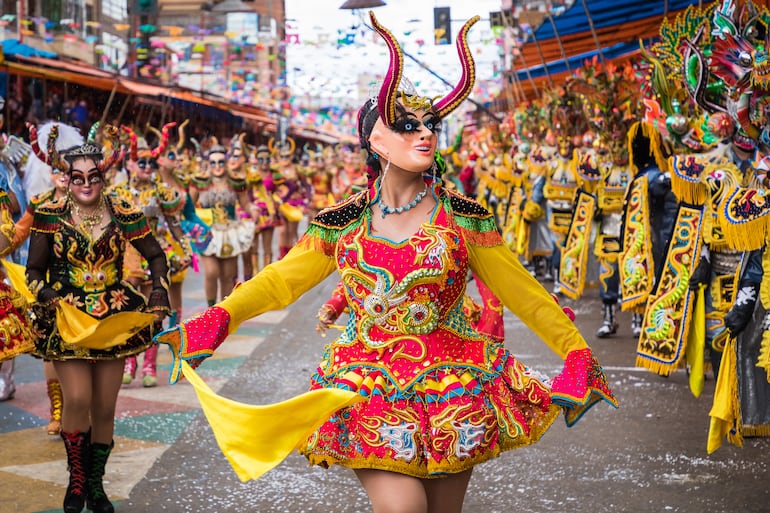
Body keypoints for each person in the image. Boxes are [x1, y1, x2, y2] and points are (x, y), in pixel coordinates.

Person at [155, 12, 616, 513]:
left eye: (430, 125)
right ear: (375, 140)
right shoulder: (343, 222)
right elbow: (278, 283)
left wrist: (576, 354)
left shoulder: (464, 218)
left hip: (454, 387)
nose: (425, 134)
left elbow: (523, 292)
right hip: (369, 388)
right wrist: (217, 320)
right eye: (407, 125)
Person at [26, 127, 170, 513]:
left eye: (94, 177)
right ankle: (75, 484)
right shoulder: (48, 215)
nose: (86, 184)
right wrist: (49, 296)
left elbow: (156, 255)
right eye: (78, 178)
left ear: (103, 178)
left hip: (113, 316)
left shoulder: (123, 212)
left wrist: (159, 290)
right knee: (77, 397)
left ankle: (96, 485)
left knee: (105, 407)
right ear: (68, 180)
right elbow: (34, 272)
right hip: (68, 318)